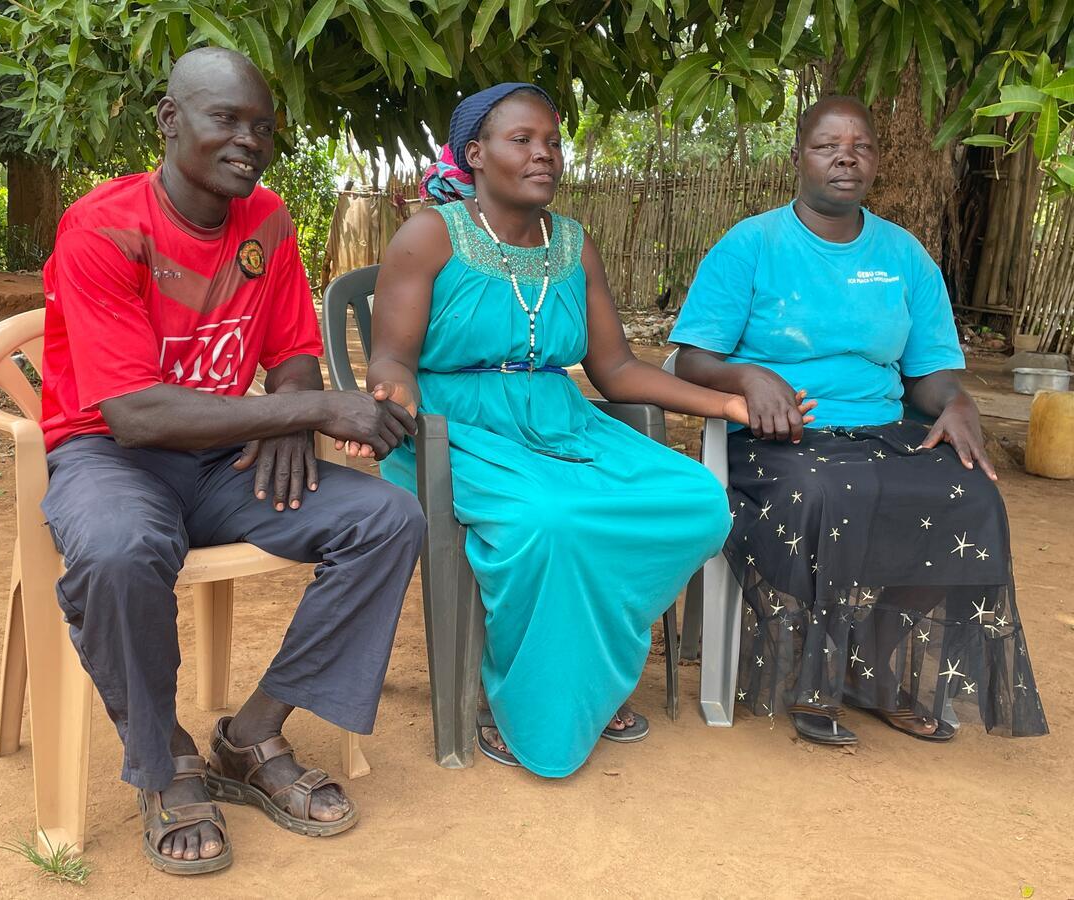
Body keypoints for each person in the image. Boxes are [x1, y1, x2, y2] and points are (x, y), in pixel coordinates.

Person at [39, 47, 425, 875]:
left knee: (386, 517)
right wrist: (313, 410)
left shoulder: (269, 221)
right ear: (170, 121)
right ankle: (167, 760)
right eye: (226, 120)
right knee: (117, 549)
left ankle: (252, 734)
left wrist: (289, 414)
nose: (248, 140)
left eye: (262, 127)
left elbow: (290, 353)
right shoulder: (104, 228)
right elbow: (135, 414)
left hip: (222, 462)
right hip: (110, 458)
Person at [367, 83, 786, 777]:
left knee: (698, 503)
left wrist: (728, 405)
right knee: (551, 521)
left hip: (560, 422)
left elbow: (616, 369)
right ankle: (524, 706)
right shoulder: (430, 235)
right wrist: (392, 403)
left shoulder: (574, 243)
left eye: (554, 142)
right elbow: (391, 356)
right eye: (523, 140)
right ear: (475, 154)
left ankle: (589, 670)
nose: (545, 155)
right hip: (454, 432)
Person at [670, 95, 1047, 745]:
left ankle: (870, 663)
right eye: (827, 146)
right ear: (798, 158)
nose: (846, 156)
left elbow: (928, 373)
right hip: (775, 439)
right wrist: (750, 376)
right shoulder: (751, 245)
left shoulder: (903, 256)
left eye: (861, 146)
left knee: (971, 493)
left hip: (878, 430)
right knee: (828, 492)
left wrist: (958, 402)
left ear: (875, 161)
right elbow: (690, 359)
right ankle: (821, 675)